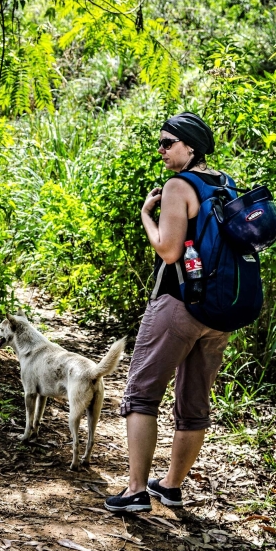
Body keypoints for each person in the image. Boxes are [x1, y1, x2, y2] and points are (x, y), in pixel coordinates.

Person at [105, 112, 231, 512]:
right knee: (194, 403)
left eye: (167, 143)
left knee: (141, 394)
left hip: (178, 304)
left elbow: (168, 249)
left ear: (190, 146)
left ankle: (137, 490)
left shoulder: (179, 185)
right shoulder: (224, 183)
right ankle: (171, 487)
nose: (160, 150)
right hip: (218, 313)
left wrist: (147, 214)